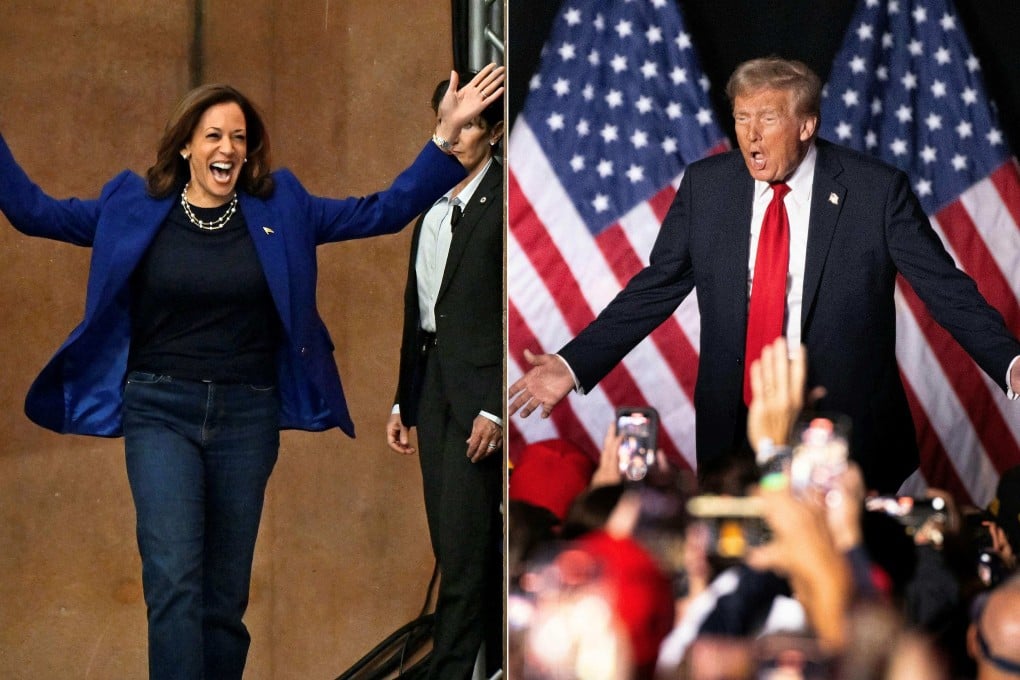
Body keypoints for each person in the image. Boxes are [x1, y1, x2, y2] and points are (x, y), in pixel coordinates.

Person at [0, 65, 504, 680]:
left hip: (246, 417)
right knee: (174, 582)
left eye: (239, 138)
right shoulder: (132, 206)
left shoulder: (282, 206)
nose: (228, 149)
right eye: (213, 135)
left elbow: (387, 210)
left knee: (223, 598)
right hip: (161, 411)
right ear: (185, 144)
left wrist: (445, 138)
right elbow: (32, 213)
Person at [508, 56, 1020, 493]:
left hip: (845, 432)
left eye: (768, 119)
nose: (750, 134)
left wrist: (1010, 361)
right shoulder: (708, 187)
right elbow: (655, 287)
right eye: (742, 117)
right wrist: (572, 364)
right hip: (736, 433)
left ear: (805, 125)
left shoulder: (874, 191)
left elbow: (944, 289)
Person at [384, 71, 504, 680]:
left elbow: (518, 311)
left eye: (470, 124)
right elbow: (420, 307)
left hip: (478, 395)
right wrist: (404, 399)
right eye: (447, 124)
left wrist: (493, 405)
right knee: (452, 543)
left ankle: (453, 671)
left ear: (494, 131)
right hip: (431, 389)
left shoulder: (507, 200)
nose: (456, 137)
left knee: (464, 551)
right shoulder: (428, 199)